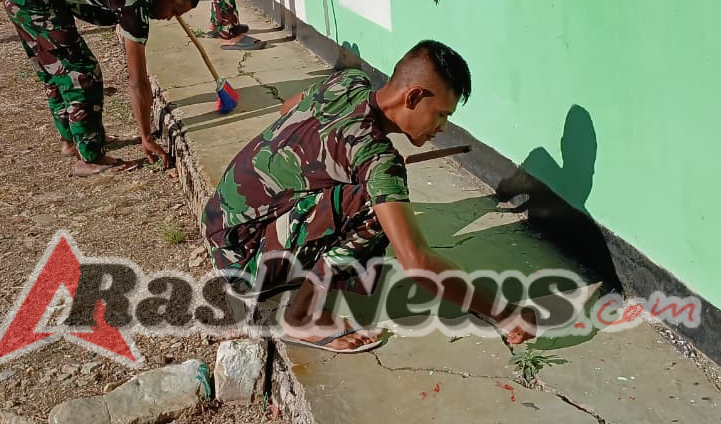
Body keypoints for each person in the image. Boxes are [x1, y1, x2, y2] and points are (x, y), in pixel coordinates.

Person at [202, 41, 538, 352]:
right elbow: (417, 262)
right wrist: (504, 311)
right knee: (373, 206)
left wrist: (337, 164)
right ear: (414, 97)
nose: (442, 127)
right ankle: (302, 317)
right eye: (441, 114)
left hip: (224, 229)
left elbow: (288, 109)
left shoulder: (348, 82)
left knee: (367, 193)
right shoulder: (378, 159)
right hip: (246, 264)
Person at [1, 0, 201, 176]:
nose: (170, 18)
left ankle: (72, 140)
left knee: (55, 68)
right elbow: (137, 82)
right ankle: (90, 158)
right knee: (82, 73)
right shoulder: (134, 4)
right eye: (175, 11)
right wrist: (146, 136)